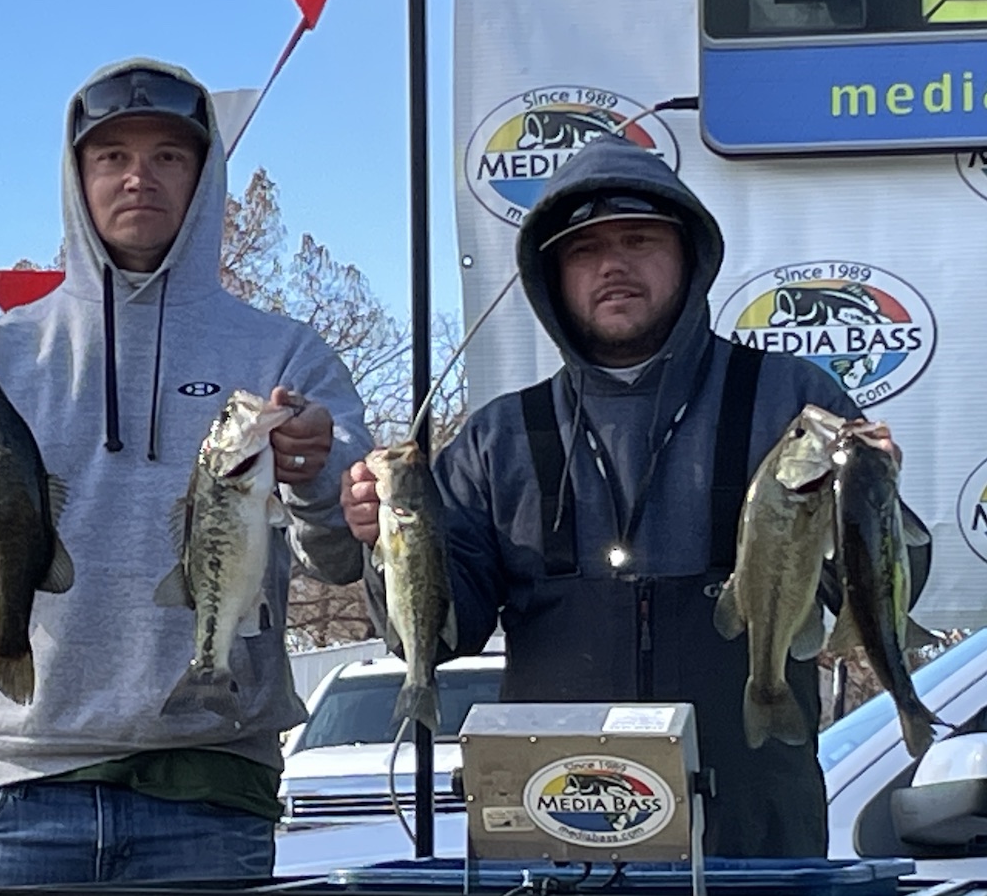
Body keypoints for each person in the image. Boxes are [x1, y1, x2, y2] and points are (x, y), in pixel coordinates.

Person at [0, 57, 373, 891]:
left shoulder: (286, 357)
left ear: (204, 177)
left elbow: (341, 556)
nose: (138, 176)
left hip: (210, 793)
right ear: (76, 175)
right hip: (15, 793)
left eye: (168, 156)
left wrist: (316, 470)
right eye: (111, 155)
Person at [341, 134, 929, 858]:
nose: (612, 265)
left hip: (755, 842)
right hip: (553, 846)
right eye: (584, 250)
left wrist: (872, 501)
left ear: (688, 255)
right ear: (552, 277)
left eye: (639, 240)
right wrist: (384, 544)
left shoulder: (793, 402)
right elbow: (434, 634)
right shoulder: (500, 436)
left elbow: (880, 589)